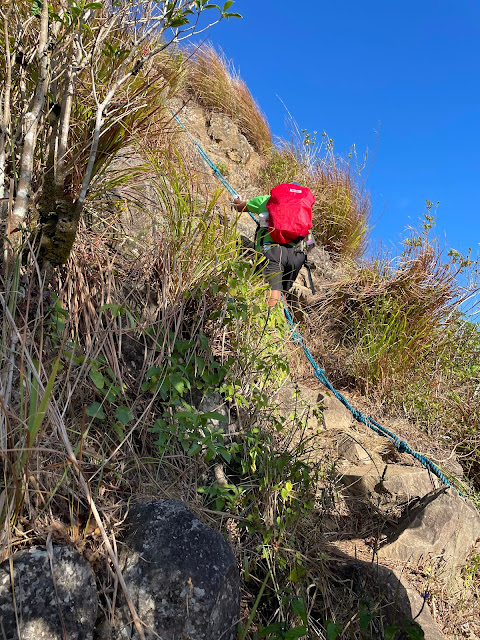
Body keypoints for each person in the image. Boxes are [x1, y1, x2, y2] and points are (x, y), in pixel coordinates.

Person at [232, 191, 311, 307]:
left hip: (274, 252)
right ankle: (285, 323)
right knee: (282, 294)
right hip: (296, 256)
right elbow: (309, 243)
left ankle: (269, 324)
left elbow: (239, 207)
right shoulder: (303, 210)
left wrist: (236, 199)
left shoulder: (266, 200)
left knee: (273, 298)